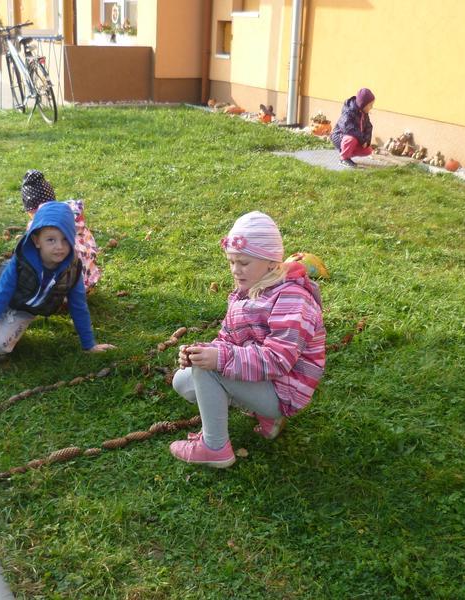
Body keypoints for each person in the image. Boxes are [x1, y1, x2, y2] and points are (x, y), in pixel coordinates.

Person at [169, 211, 326, 468]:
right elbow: (229, 337)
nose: (235, 270)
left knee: (209, 370)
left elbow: (278, 360)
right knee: (183, 381)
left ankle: (215, 448)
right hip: (262, 379)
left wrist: (217, 359)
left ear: (271, 263)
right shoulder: (248, 290)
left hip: (284, 390)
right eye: (231, 262)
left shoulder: (293, 299)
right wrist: (202, 352)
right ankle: (265, 415)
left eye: (243, 263)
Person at [0, 201, 115, 367]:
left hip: (22, 309)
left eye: (65, 239)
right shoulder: (22, 260)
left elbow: (79, 307)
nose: (59, 246)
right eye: (51, 240)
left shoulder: (72, 269)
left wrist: (89, 345)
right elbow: (0, 297)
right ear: (36, 240)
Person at [20, 169, 102, 291]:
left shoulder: (37, 226)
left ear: (30, 210)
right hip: (88, 276)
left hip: (64, 284)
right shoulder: (71, 212)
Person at [330, 87, 375, 168]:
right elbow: (348, 128)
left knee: (368, 150)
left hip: (355, 138)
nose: (371, 107)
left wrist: (366, 141)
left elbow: (369, 127)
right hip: (340, 137)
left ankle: (346, 153)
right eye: (370, 105)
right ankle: (344, 159)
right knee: (351, 138)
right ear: (363, 104)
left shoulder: (364, 113)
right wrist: (362, 140)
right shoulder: (348, 111)